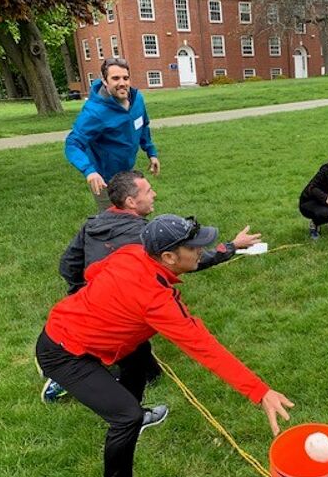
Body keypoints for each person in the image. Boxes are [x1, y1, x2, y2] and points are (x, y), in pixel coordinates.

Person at [35, 214, 294, 477]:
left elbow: (93, 271)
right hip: (64, 353)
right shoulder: (156, 301)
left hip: (80, 332)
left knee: (138, 353)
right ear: (169, 257)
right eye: (194, 248)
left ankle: (136, 411)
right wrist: (260, 391)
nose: (200, 251)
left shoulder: (133, 251)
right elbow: (204, 348)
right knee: (125, 419)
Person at [40, 170, 262, 402]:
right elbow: (193, 261)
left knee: (142, 363)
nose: (154, 194)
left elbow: (68, 264)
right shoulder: (142, 240)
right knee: (114, 361)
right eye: (148, 191)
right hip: (107, 313)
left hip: (92, 301)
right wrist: (232, 246)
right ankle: (72, 379)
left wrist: (82, 289)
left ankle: (130, 391)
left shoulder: (95, 222)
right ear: (131, 202)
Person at [65, 58, 160, 211]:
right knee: (111, 221)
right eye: (115, 78)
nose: (122, 83)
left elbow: (143, 126)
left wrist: (151, 152)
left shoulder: (137, 100)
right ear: (104, 81)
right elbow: (73, 143)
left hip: (127, 173)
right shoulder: (95, 112)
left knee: (133, 214)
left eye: (125, 78)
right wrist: (89, 172)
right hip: (104, 178)